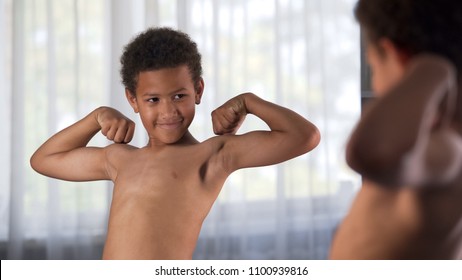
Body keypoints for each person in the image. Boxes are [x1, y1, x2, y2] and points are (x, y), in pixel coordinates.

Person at [30, 27, 320, 259]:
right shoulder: (119, 159)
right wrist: (95, 118)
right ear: (133, 99)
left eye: (179, 96)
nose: (168, 112)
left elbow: (305, 136)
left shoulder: (214, 155)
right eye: (153, 99)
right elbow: (44, 159)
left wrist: (249, 102)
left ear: (198, 90)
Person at [330, 0, 462, 259]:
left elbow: (372, 151)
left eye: (373, 68)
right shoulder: (433, 142)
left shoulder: (449, 148)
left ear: (395, 55)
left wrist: (431, 69)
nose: (376, 84)